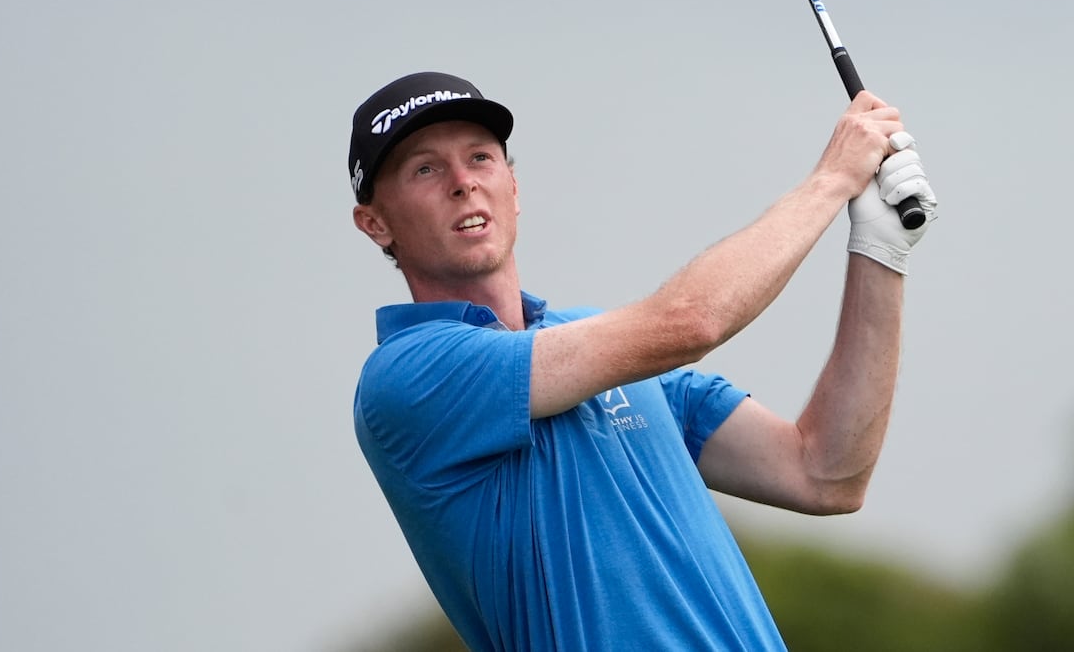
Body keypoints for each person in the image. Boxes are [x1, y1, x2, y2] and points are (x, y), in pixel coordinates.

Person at [347, 70, 937, 652]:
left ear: (514, 187)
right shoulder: (408, 376)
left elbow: (825, 474)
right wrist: (831, 179)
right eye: (425, 169)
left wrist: (879, 251)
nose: (462, 182)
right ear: (375, 223)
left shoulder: (600, 347)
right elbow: (691, 322)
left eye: (480, 158)